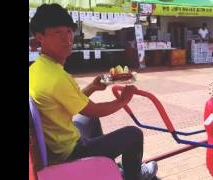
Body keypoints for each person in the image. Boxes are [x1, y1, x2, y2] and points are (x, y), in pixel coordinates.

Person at [29, 4, 158, 180]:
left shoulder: (37, 69)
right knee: (133, 134)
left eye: (69, 31)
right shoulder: (56, 77)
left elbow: (70, 102)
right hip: (69, 152)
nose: (67, 38)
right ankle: (133, 175)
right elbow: (92, 109)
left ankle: (102, 165)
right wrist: (123, 100)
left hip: (57, 143)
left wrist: (91, 87)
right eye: (58, 32)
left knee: (89, 120)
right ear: (40, 37)